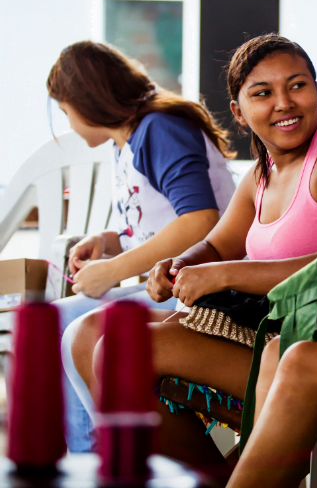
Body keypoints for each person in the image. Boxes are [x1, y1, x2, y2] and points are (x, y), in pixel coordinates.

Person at [71, 34, 317, 480]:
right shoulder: (262, 175)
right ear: (239, 111)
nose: (284, 103)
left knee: (126, 350)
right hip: (270, 330)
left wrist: (222, 275)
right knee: (94, 332)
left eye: (297, 85)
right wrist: (180, 265)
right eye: (262, 94)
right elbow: (216, 244)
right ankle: (216, 478)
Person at [48, 41, 236, 453]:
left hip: (204, 292)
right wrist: (107, 241)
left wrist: (112, 273)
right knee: (54, 321)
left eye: (66, 112)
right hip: (170, 284)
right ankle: (92, 455)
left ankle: (97, 457)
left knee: (65, 328)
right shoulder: (128, 140)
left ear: (88, 100)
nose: (69, 126)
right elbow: (156, 224)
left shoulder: (159, 129)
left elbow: (200, 220)